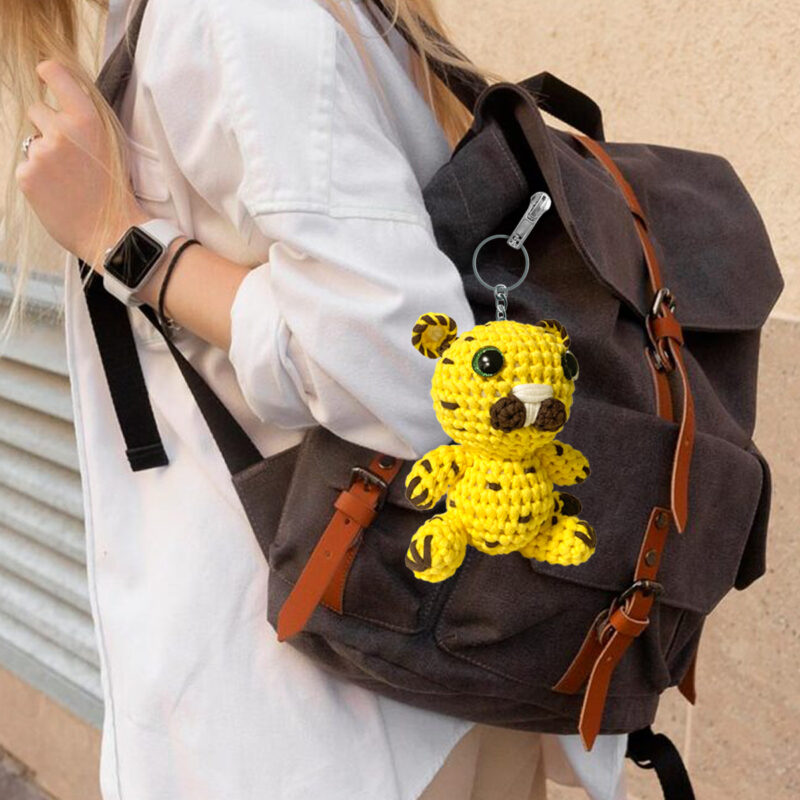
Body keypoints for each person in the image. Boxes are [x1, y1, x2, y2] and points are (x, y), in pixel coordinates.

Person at [2, 0, 629, 798]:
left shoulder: (222, 17)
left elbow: (405, 369)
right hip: (401, 664)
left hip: (334, 696)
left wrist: (118, 239)